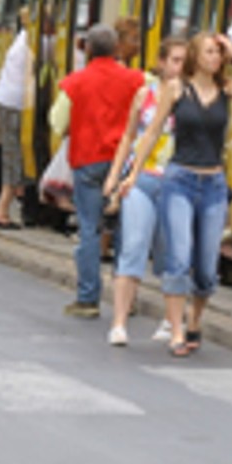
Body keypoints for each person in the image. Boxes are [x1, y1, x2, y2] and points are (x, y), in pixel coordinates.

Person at [128, 30, 232, 355]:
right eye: (208, 52)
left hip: (214, 185)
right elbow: (152, 132)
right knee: (179, 255)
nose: (214, 58)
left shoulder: (226, 88)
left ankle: (194, 320)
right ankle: (176, 330)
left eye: (218, 54)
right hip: (179, 180)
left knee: (205, 266)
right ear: (194, 55)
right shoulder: (176, 89)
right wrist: (133, 173)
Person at [53, 24, 144, 320]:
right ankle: (125, 299)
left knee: (89, 229)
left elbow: (57, 122)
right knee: (124, 231)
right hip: (124, 162)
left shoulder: (75, 82)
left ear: (87, 49)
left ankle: (88, 299)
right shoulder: (136, 80)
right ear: (117, 48)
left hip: (87, 160)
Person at [102, 36, 186, 347]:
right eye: (175, 60)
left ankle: (170, 319)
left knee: (172, 252)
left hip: (177, 182)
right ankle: (119, 322)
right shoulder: (145, 94)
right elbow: (129, 136)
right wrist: (115, 174)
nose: (180, 67)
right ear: (162, 63)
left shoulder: (192, 97)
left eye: (185, 61)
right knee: (134, 245)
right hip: (142, 179)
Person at [0, 9, 33, 230]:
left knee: (10, 153)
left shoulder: (22, 38)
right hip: (16, 103)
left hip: (6, 99)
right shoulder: (30, 43)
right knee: (13, 156)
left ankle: (3, 204)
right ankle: (2, 210)